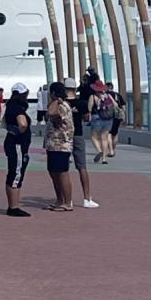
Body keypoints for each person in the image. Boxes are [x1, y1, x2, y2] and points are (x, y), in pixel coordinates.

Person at [69, 76, 99, 208]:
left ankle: (67, 198)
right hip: (78, 135)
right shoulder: (81, 103)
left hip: (63, 137)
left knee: (63, 169)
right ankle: (87, 198)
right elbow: (87, 117)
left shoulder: (60, 102)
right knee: (82, 167)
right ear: (75, 88)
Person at [44, 81, 74, 210]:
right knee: (53, 172)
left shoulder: (62, 106)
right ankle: (59, 199)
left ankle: (68, 202)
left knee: (62, 173)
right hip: (53, 144)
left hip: (61, 145)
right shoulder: (56, 105)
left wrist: (56, 100)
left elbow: (51, 113)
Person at [3, 82, 32, 217]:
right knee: (16, 173)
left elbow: (3, 122)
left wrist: (11, 130)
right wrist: (20, 132)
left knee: (12, 172)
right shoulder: (18, 109)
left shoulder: (9, 106)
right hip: (18, 145)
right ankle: (14, 207)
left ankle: (12, 205)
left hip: (11, 142)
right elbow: (23, 124)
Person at [90, 78, 115, 163]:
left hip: (97, 118)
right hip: (108, 118)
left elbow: (89, 108)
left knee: (94, 136)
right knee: (104, 138)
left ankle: (99, 151)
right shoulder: (108, 95)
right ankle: (104, 159)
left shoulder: (93, 96)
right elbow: (115, 105)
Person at [107, 81, 125, 154]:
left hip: (109, 116)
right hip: (118, 116)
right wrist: (123, 115)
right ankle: (114, 149)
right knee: (115, 133)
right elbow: (123, 107)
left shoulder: (106, 95)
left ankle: (110, 150)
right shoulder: (118, 95)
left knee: (108, 133)